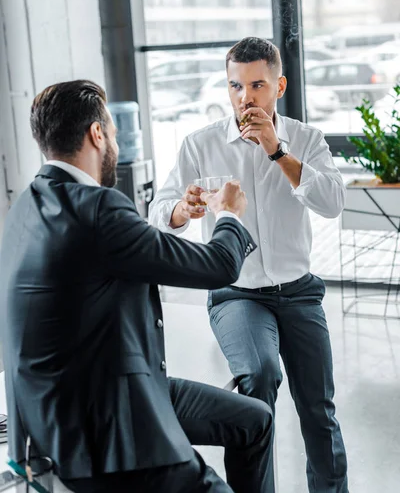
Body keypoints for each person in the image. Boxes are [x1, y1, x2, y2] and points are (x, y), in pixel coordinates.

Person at [0, 80, 275, 493]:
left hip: (69, 412)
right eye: (111, 129)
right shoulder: (98, 208)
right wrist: (229, 215)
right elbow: (217, 266)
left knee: (254, 419)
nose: (114, 139)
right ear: (97, 133)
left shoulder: (26, 206)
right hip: (110, 432)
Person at [149, 37, 349, 493]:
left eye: (257, 85)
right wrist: (184, 209)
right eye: (235, 86)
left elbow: (333, 202)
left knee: (319, 411)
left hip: (298, 292)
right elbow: (158, 212)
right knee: (258, 377)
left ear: (278, 86)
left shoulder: (307, 139)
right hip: (236, 293)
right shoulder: (200, 145)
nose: (245, 98)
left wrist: (277, 150)